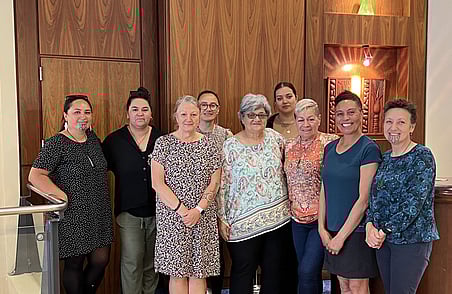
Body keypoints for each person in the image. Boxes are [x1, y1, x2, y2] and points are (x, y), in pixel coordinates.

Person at [28, 95, 113, 294]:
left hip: (98, 211)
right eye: (77, 112)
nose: (83, 116)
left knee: (101, 260)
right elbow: (35, 175)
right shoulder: (56, 143)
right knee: (74, 264)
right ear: (65, 115)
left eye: (87, 112)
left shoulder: (93, 139)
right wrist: (60, 195)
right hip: (73, 214)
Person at [217, 93, 291, 294]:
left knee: (274, 272)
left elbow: (289, 171)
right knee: (242, 271)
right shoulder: (229, 145)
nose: (256, 119)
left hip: (278, 219)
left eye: (261, 114)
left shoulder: (276, 139)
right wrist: (222, 218)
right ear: (241, 117)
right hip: (241, 222)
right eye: (251, 115)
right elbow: (222, 184)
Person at [365, 99, 439, 294]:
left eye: (401, 122)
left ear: (412, 126)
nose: (393, 127)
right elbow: (374, 198)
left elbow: (413, 203)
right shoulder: (386, 158)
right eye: (389, 122)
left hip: (411, 241)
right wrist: (369, 225)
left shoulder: (422, 155)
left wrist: (384, 230)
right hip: (383, 240)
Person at [150, 95, 222, 294]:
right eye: (184, 114)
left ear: (199, 117)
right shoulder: (163, 143)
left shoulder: (210, 145)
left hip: (202, 216)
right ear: (176, 116)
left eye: (193, 114)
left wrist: (198, 210)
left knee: (199, 272)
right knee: (177, 272)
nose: (188, 118)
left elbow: (214, 182)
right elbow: (158, 183)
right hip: (173, 217)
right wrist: (183, 211)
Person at [319, 90, 381, 294]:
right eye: (340, 113)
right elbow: (324, 189)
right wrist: (322, 229)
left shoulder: (368, 149)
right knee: (343, 286)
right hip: (332, 229)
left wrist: (341, 237)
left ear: (361, 113)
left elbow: (364, 200)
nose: (346, 118)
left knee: (357, 286)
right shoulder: (329, 148)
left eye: (351, 112)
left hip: (356, 231)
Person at [102, 87, 161, 294]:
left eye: (144, 109)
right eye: (135, 109)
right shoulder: (114, 141)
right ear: (127, 113)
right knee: (132, 261)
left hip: (160, 212)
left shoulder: (162, 140)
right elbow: (99, 170)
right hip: (128, 213)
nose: (140, 113)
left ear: (151, 113)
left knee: (152, 264)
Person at [285, 99, 338, 294]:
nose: (306, 124)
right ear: (295, 121)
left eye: (310, 119)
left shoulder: (331, 143)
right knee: (308, 272)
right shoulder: (288, 146)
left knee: (306, 271)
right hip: (296, 220)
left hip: (321, 218)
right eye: (301, 120)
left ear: (319, 119)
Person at [197, 90, 232, 294]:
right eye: (204, 105)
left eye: (213, 105)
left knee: (216, 253)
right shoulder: (187, 133)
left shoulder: (227, 135)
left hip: (219, 202)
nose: (208, 109)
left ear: (218, 109)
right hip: (194, 203)